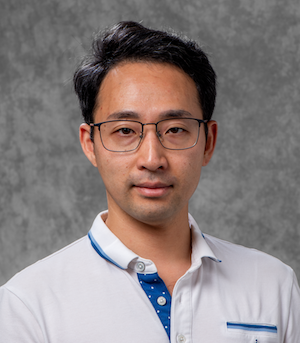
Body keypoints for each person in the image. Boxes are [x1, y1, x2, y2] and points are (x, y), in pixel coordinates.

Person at [0, 21, 299, 343]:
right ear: (91, 145)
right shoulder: (28, 304)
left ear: (208, 142)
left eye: (175, 129)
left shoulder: (273, 285)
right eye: (125, 131)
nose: (152, 158)